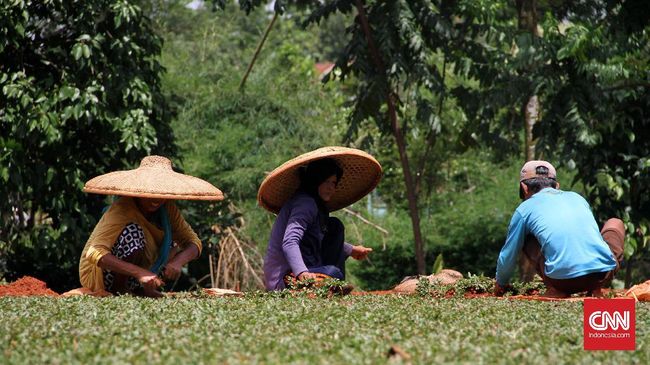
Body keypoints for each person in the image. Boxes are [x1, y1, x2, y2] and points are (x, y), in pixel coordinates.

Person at [79, 155, 223, 297]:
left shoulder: (167, 208)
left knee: (171, 242)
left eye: (160, 192)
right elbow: (94, 252)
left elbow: (193, 242)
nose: (156, 199)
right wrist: (139, 272)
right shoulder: (122, 208)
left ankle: (143, 289)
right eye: (150, 192)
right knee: (133, 233)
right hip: (100, 276)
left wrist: (178, 262)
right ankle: (120, 289)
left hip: (142, 275)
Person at [494, 160, 625, 298]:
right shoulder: (578, 198)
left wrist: (501, 283)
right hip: (602, 275)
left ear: (524, 188)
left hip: (563, 281)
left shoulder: (524, 209)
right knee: (615, 223)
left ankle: (556, 290)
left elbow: (509, 254)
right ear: (556, 186)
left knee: (523, 236)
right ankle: (595, 289)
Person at [258, 147, 382, 291]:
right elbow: (290, 242)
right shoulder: (305, 204)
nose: (331, 188)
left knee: (335, 226)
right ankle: (332, 284)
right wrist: (302, 272)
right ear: (315, 181)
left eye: (334, 183)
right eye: (326, 182)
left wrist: (352, 250)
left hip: (310, 268)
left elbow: (322, 238)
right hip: (285, 279)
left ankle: (332, 284)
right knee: (333, 273)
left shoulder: (316, 206)